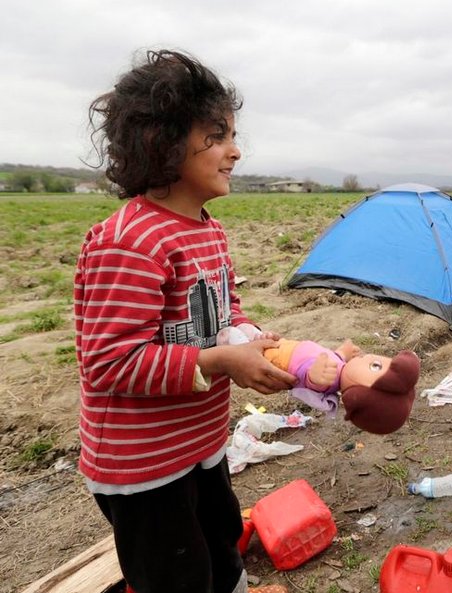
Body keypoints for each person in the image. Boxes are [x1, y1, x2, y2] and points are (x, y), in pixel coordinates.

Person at [76, 49, 296, 593]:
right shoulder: (130, 241)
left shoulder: (206, 230)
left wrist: (246, 336)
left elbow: (223, 310)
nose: (235, 151)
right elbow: (109, 362)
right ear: (163, 142)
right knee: (176, 577)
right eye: (217, 136)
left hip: (201, 445)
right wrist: (220, 360)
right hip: (145, 469)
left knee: (223, 548)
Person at [219, 327, 421, 434]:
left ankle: (226, 350)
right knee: (247, 327)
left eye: (375, 366)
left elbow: (313, 381)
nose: (371, 357)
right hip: (276, 345)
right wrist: (343, 352)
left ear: (359, 394)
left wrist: (314, 377)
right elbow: (336, 358)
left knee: (232, 335)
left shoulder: (327, 378)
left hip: (266, 358)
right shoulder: (338, 368)